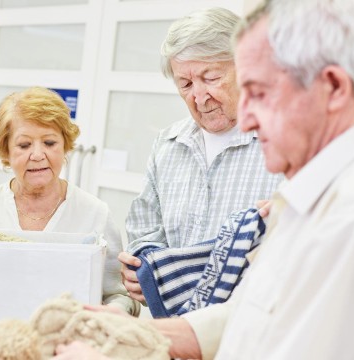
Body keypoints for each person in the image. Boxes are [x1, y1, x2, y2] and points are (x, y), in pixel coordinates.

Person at [56, 0, 354, 358]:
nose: (246, 118)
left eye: (260, 92)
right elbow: (260, 312)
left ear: (334, 87)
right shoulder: (336, 185)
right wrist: (140, 333)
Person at [0, 87, 140, 337]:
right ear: (6, 151)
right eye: (23, 145)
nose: (38, 155)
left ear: (65, 145)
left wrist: (114, 314)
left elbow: (117, 294)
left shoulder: (95, 213)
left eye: (50, 142)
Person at [119, 7, 283, 305]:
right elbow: (144, 228)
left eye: (211, 77)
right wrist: (143, 269)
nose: (199, 96)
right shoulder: (168, 145)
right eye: (186, 84)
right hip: (177, 334)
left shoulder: (282, 142)